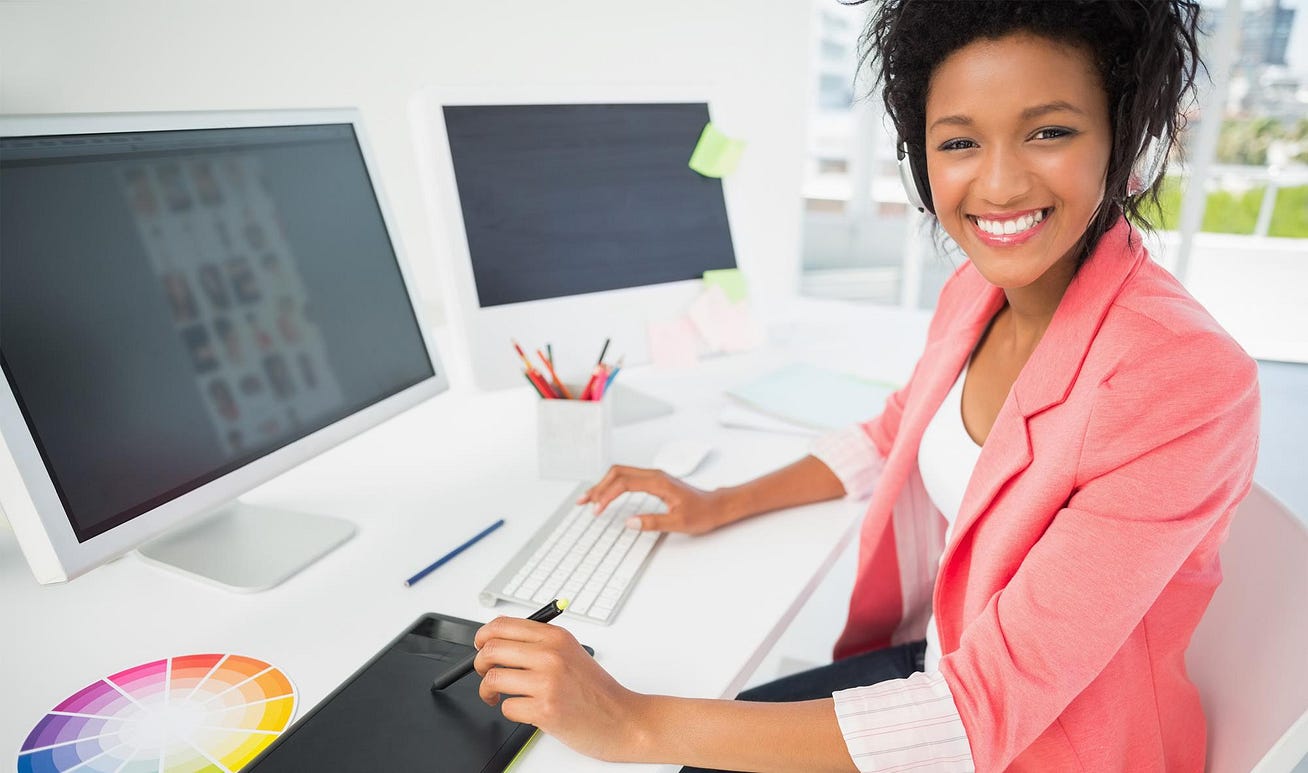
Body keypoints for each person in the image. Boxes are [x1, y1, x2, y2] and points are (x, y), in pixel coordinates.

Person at [472, 1, 1260, 770]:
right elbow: (894, 433)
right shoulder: (979, 292)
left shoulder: (1180, 377)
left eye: (1048, 131)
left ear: (1120, 138)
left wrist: (634, 725)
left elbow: (981, 711)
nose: (998, 183)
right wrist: (719, 502)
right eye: (958, 141)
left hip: (1045, 742)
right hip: (949, 669)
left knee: (660, 744)